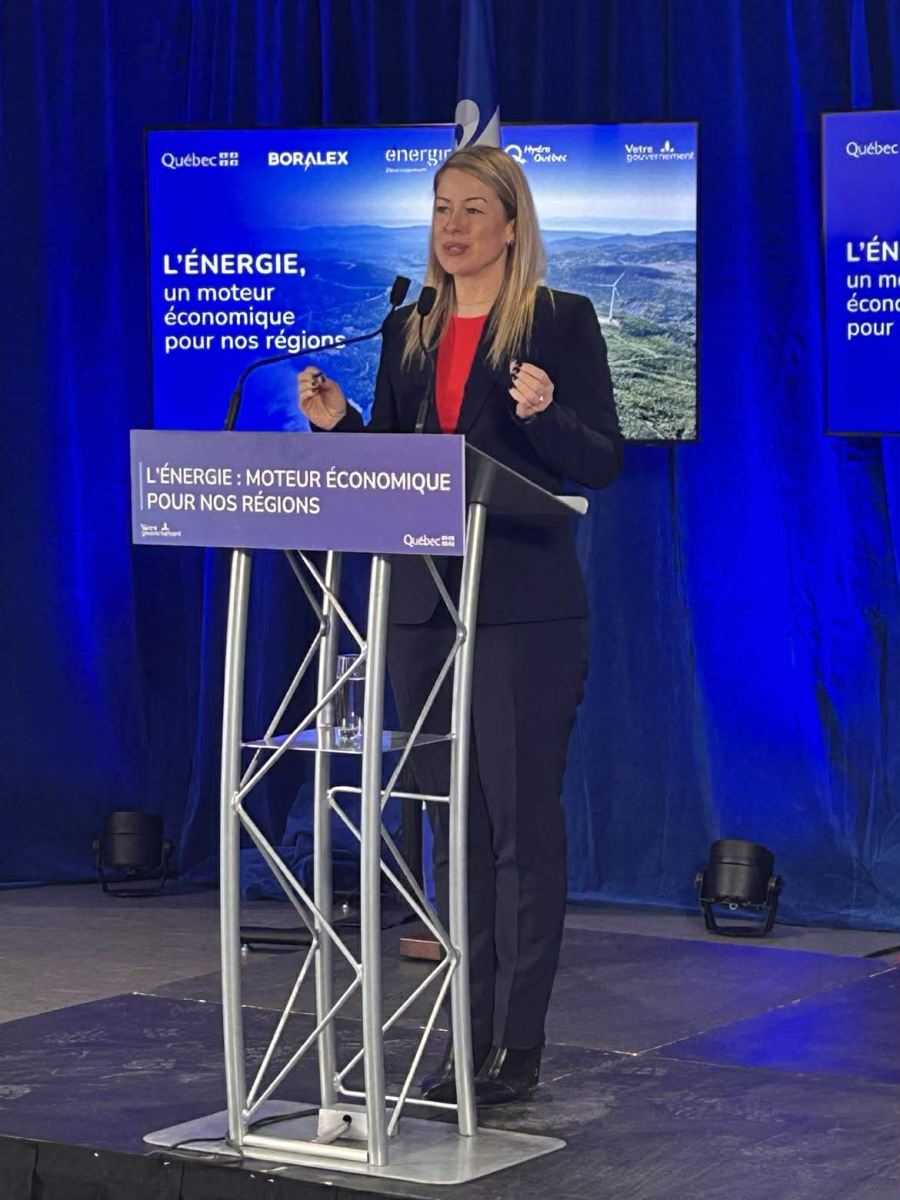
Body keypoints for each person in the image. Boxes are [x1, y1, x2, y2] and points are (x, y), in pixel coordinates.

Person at [298, 144, 622, 1105]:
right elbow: (402, 472)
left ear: (511, 225)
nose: (453, 225)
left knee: (519, 828)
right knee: (452, 831)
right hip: (424, 614)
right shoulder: (409, 327)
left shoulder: (559, 321)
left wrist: (547, 414)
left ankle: (515, 1047)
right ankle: (463, 1038)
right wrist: (343, 429)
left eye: (474, 208)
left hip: (522, 611)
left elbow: (600, 461)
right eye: (443, 207)